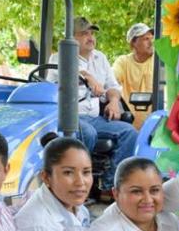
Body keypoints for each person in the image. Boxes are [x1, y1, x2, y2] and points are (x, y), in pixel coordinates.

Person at [47, 17, 138, 181]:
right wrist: (86, 75)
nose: (90, 38)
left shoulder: (100, 58)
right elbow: (56, 80)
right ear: (72, 37)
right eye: (84, 34)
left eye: (91, 33)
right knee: (87, 133)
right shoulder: (59, 57)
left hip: (94, 118)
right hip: (68, 117)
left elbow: (113, 87)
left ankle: (110, 184)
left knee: (129, 132)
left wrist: (113, 102)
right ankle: (78, 182)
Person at [112, 23, 154, 130]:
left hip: (155, 125)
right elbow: (111, 79)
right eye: (146, 39)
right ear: (133, 43)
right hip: (130, 126)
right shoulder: (123, 62)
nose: (151, 42)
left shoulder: (159, 61)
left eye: (151, 38)